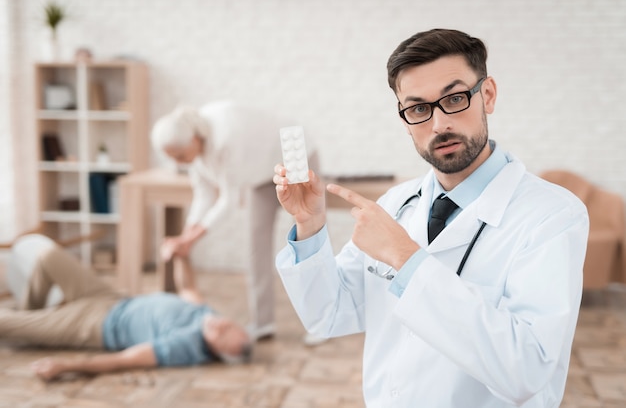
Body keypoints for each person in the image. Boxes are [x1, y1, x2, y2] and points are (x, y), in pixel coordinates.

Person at [273, 28, 589, 407]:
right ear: (404, 118)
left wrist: (407, 259)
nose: (439, 125)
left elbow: (527, 370)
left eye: (454, 99)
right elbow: (331, 313)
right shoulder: (396, 204)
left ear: (487, 95)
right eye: (419, 108)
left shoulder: (552, 215)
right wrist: (309, 227)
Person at [151, 101, 323, 344]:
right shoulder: (194, 150)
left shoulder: (225, 137)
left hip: (293, 150)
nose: (179, 163)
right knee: (256, 246)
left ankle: (321, 323)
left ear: (194, 140)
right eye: (173, 158)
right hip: (261, 171)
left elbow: (228, 201)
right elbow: (204, 195)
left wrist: (190, 239)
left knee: (307, 239)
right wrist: (186, 235)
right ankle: (263, 323)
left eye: (180, 156)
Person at [0, 234, 252, 381]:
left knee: (6, 323)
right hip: (111, 298)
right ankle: (32, 317)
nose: (218, 325)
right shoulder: (207, 316)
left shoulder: (183, 346)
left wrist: (66, 366)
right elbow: (187, 288)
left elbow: (124, 360)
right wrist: (182, 255)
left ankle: (31, 324)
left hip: (96, 325)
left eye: (218, 335)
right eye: (226, 324)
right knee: (48, 258)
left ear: (214, 352)